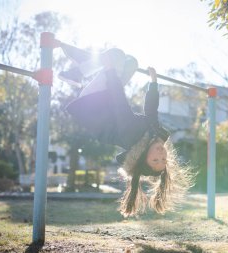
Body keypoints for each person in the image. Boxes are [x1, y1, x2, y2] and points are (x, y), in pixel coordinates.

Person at [59, 43, 193, 217]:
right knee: (131, 63)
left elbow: (120, 103)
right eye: (163, 159)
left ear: (144, 156)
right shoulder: (155, 135)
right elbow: (151, 111)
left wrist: (109, 71)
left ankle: (75, 73)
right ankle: (85, 64)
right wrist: (153, 84)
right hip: (107, 99)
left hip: (92, 105)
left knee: (115, 55)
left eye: (155, 159)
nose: (161, 153)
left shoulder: (131, 136)